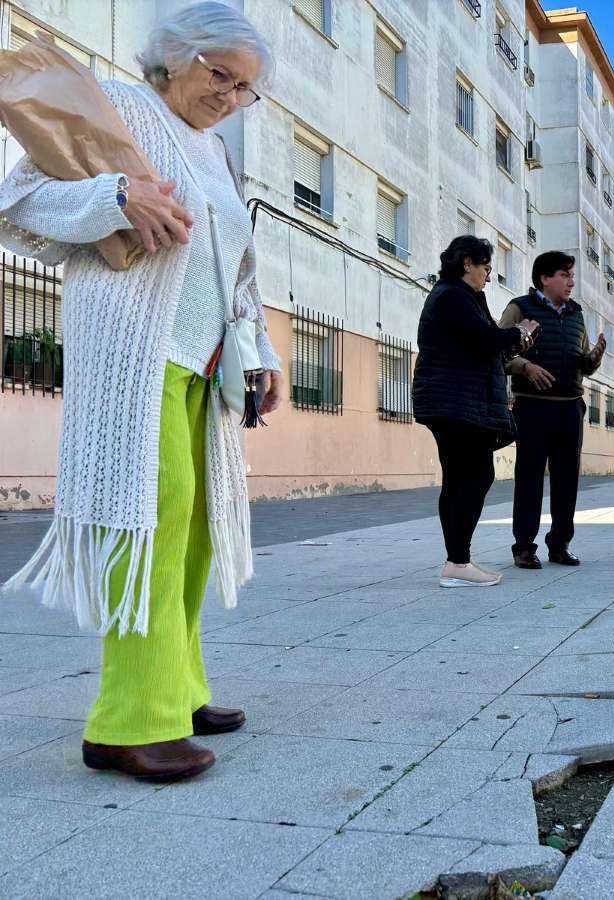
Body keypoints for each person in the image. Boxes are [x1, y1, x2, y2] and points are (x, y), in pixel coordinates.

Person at [0, 2, 283, 780]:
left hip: (206, 361)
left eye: (245, 88)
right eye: (219, 74)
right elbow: (16, 206)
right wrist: (116, 198)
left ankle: (178, 690)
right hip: (137, 355)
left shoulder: (216, 151)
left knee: (195, 527)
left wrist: (261, 351)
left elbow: (236, 264)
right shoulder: (120, 107)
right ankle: (128, 721)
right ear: (174, 57)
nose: (230, 96)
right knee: (149, 521)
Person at [413, 235, 539, 588]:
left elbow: (485, 345)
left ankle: (458, 561)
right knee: (472, 476)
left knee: (463, 478)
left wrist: (517, 340)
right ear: (466, 263)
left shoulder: (462, 297)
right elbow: (486, 340)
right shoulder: (452, 296)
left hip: (456, 401)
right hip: (453, 402)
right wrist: (518, 331)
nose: (488, 274)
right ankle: (457, 562)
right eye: (486, 267)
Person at [499, 251, 605, 568]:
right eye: (565, 275)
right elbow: (499, 351)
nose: (571, 282)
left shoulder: (576, 314)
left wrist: (593, 359)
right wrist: (525, 366)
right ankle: (523, 547)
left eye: (572, 276)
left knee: (567, 481)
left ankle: (560, 545)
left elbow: (582, 362)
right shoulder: (520, 307)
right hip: (532, 407)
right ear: (545, 278)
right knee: (529, 478)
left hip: (570, 408)